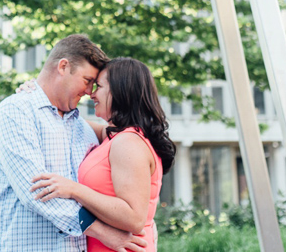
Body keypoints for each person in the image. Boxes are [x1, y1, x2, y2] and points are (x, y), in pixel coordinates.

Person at [0, 35, 147, 252]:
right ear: (63, 67)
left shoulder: (81, 127)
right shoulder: (16, 111)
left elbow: (132, 137)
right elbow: (37, 192)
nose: (89, 92)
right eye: (87, 81)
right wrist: (105, 233)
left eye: (94, 85)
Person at [30, 58, 176, 251]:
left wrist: (74, 190)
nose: (91, 94)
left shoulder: (128, 142)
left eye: (98, 86)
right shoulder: (114, 137)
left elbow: (134, 217)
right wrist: (39, 93)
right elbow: (66, 120)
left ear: (120, 91)